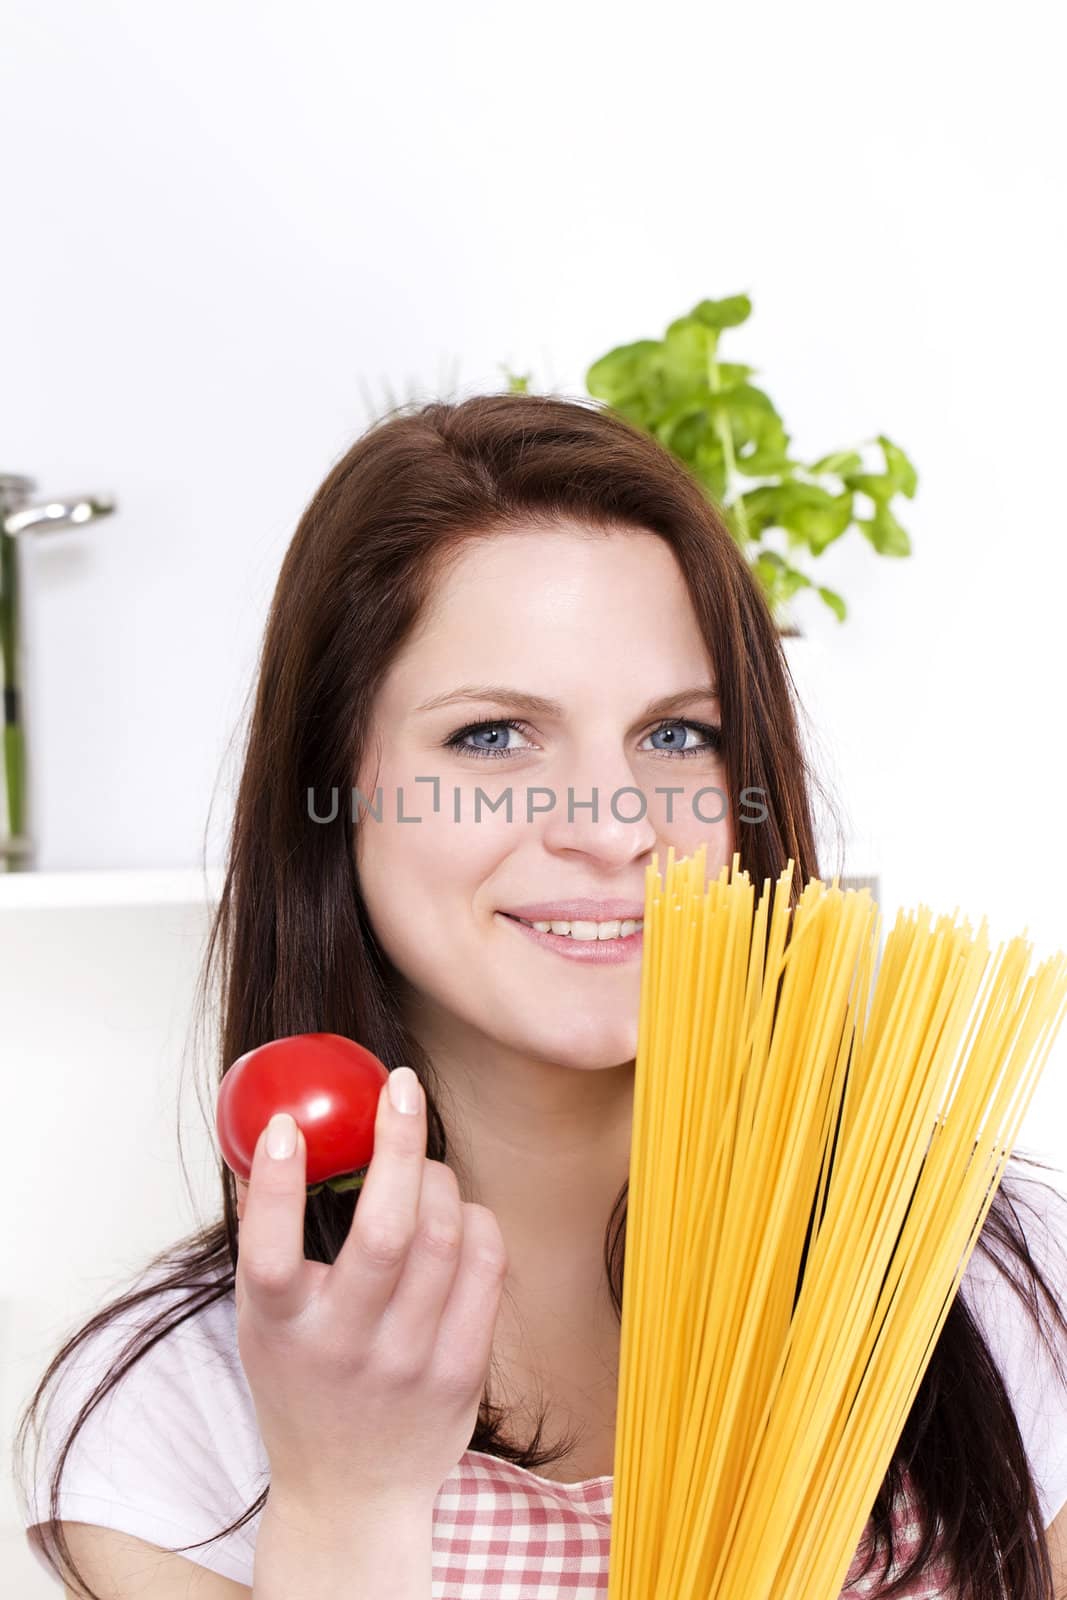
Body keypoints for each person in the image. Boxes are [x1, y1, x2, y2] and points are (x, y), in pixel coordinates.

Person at [12, 392, 1067, 1600]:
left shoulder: (989, 1284)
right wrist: (345, 1499)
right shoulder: (172, 1409)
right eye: (493, 736)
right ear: (336, 790)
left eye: (678, 737)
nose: (613, 828)